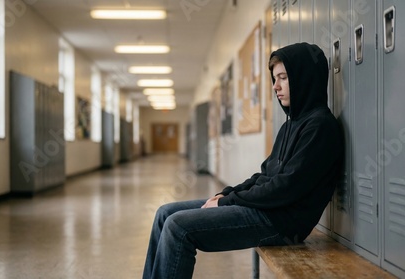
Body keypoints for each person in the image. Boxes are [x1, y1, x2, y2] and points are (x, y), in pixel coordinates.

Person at [142, 42, 344, 279]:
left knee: (178, 227)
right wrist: (227, 194)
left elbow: (285, 188)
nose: (275, 86)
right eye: (274, 78)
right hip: (266, 208)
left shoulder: (320, 127)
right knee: (165, 213)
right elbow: (264, 176)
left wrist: (228, 202)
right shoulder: (290, 125)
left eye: (283, 78)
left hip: (281, 222)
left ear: (303, 78)